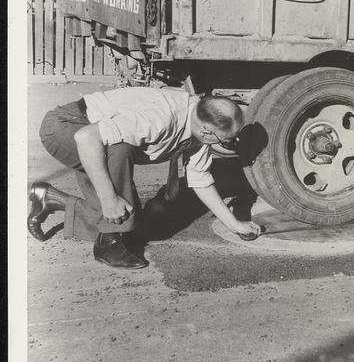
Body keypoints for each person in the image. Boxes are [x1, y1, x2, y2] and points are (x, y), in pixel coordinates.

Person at [28, 87, 261, 269]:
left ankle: (51, 199)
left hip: (94, 135)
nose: (230, 145)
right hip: (66, 127)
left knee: (131, 221)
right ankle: (109, 244)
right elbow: (87, 139)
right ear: (206, 131)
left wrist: (234, 223)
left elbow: (200, 178)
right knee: (120, 151)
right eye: (226, 140)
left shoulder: (199, 122)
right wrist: (109, 200)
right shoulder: (158, 119)